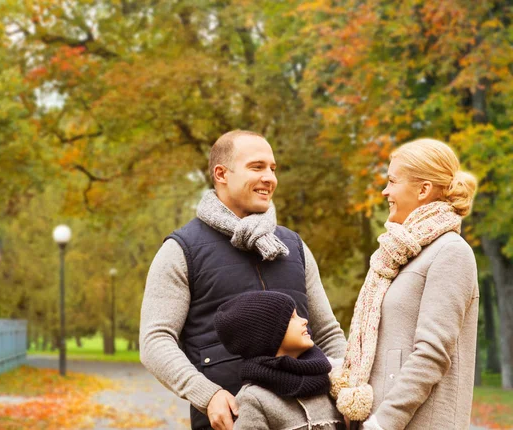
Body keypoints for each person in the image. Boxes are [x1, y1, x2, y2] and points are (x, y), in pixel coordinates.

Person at [140, 129, 346, 430]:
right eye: (257, 167)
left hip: (313, 420)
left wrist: (347, 390)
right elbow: (155, 340)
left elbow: (327, 334)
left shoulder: (295, 246)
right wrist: (207, 395)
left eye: (273, 169)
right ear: (221, 173)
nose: (270, 178)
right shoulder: (181, 250)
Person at [330, 138, 479, 430]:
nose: (385, 191)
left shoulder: (451, 252)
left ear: (423, 190)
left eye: (392, 181)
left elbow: (432, 353)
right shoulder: (400, 256)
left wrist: (383, 423)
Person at [214, 290, 345, 430]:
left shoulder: (328, 382)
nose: (304, 321)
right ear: (266, 335)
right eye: (292, 317)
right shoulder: (254, 399)